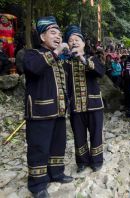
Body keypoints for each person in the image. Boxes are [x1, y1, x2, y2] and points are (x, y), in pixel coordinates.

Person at [23, 16, 73, 198]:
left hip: (59, 111)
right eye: (53, 33)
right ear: (42, 37)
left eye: (59, 34)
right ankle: (37, 185)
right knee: (39, 147)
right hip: (39, 112)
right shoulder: (31, 54)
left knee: (58, 144)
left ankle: (56, 173)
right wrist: (56, 52)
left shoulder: (59, 59)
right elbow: (34, 68)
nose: (58, 36)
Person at [64, 25, 105, 173]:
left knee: (95, 134)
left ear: (83, 43)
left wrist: (82, 58)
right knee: (79, 135)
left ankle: (97, 160)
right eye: (70, 40)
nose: (74, 42)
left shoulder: (92, 58)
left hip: (94, 105)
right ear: (67, 44)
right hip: (75, 106)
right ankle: (82, 161)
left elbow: (100, 72)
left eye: (77, 40)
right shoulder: (66, 63)